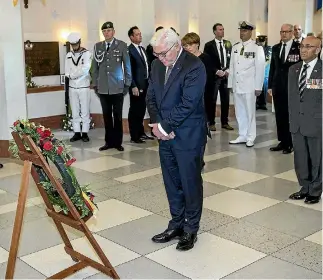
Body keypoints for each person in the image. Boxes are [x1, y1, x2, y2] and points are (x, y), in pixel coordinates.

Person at [146, 28, 207, 251]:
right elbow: (151, 96)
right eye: (157, 55)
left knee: (189, 182)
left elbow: (188, 103)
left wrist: (165, 126)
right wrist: (157, 124)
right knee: (171, 181)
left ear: (176, 46)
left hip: (189, 134)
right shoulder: (156, 64)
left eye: (163, 54)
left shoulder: (194, 66)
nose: (160, 59)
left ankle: (191, 228)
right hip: (165, 134)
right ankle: (176, 224)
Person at [288, 36, 322, 204]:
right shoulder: (293, 69)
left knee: (317, 159)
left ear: (317, 50)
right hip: (297, 123)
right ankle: (305, 187)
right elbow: (291, 98)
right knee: (301, 158)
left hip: (316, 122)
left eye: (308, 46)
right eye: (302, 46)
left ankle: (315, 190)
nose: (303, 49)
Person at [92, 21, 132, 152]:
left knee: (118, 116)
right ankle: (108, 142)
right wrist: (95, 84)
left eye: (109, 31)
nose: (106, 33)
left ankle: (117, 142)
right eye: (104, 31)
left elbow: (127, 66)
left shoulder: (121, 45)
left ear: (113, 32)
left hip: (117, 87)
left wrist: (127, 83)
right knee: (107, 116)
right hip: (103, 88)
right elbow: (94, 68)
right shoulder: (98, 46)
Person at [228, 21, 266, 147]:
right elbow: (232, 67)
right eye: (241, 30)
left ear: (250, 32)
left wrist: (258, 87)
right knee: (240, 112)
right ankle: (242, 135)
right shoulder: (236, 47)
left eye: (244, 31)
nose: (242, 33)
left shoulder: (257, 48)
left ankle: (251, 137)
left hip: (250, 86)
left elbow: (260, 68)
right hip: (237, 85)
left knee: (250, 112)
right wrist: (230, 84)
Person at [268, 24, 301, 154]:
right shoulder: (276, 48)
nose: (284, 34)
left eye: (287, 32)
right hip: (278, 86)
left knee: (290, 115)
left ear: (292, 33)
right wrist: (270, 85)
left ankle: (290, 142)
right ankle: (282, 141)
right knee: (280, 115)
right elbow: (272, 68)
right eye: (282, 32)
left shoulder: (298, 47)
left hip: (292, 86)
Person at [203, 23, 233, 131]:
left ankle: (225, 122)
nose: (222, 31)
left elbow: (231, 59)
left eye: (223, 29)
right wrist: (216, 71)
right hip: (214, 77)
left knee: (226, 99)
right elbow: (207, 61)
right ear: (214, 31)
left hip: (226, 76)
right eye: (220, 29)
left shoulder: (228, 44)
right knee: (212, 99)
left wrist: (229, 70)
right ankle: (211, 122)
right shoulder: (209, 45)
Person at [127, 26, 153, 143]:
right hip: (136, 86)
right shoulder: (129, 50)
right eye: (137, 34)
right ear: (131, 37)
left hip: (146, 84)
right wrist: (133, 85)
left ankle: (141, 132)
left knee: (142, 110)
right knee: (135, 110)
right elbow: (128, 70)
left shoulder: (142, 49)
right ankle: (134, 135)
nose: (140, 36)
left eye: (140, 34)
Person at [65, 32, 92, 142]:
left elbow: (85, 69)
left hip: (84, 86)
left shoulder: (87, 54)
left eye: (76, 44)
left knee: (85, 110)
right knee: (75, 110)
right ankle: (76, 132)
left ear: (79, 42)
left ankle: (85, 132)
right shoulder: (68, 55)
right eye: (72, 45)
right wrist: (72, 75)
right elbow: (67, 71)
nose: (74, 47)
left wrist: (74, 75)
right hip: (72, 87)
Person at [256, 35, 272, 110]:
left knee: (264, 87)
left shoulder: (268, 48)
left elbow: (268, 59)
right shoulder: (255, 48)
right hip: (256, 71)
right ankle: (257, 103)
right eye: (260, 41)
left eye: (262, 42)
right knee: (256, 86)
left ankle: (263, 103)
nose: (261, 43)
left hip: (265, 70)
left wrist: (262, 66)